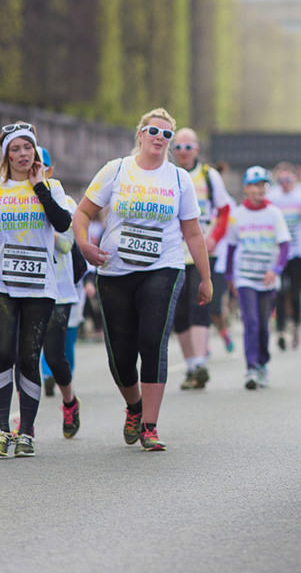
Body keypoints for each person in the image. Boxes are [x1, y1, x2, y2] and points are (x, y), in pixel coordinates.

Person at [74, 108, 211, 452]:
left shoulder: (179, 180)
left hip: (163, 268)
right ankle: (134, 406)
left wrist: (205, 278)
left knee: (153, 341)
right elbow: (83, 212)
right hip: (115, 271)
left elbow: (193, 233)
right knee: (120, 356)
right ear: (140, 134)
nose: (160, 138)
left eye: (167, 134)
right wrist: (84, 246)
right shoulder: (116, 170)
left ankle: (150, 425)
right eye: (154, 131)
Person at [0, 122, 74, 458]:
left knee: (29, 358)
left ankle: (26, 432)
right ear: (5, 154)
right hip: (3, 284)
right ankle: (2, 429)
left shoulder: (52, 187)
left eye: (26, 148)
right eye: (14, 149)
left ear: (35, 152)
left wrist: (39, 187)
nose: (21, 155)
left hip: (40, 287)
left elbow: (62, 225)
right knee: (3, 354)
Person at [169, 128, 234, 389]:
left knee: (200, 307)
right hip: (173, 252)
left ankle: (200, 363)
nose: (183, 152)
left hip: (202, 251)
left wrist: (214, 237)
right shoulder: (167, 174)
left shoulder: (209, 176)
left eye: (188, 147)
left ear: (196, 149)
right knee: (179, 313)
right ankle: (191, 365)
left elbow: (225, 209)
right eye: (179, 147)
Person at [36, 147, 87, 438]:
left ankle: (69, 401)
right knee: (20, 356)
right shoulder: (9, 197)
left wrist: (41, 234)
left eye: (40, 165)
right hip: (22, 286)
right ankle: (21, 423)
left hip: (58, 289)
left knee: (55, 357)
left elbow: (67, 244)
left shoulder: (62, 198)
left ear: (50, 171)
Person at [225, 166, 290, 390]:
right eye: (254, 185)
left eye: (263, 185)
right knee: (250, 322)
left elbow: (284, 245)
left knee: (263, 324)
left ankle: (263, 363)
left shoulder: (274, 213)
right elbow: (231, 247)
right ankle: (251, 367)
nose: (259, 189)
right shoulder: (237, 214)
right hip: (245, 278)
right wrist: (229, 276)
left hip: (267, 278)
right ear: (246, 188)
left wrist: (276, 270)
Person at [267, 161, 301, 350]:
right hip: (278, 252)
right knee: (280, 291)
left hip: (297, 250)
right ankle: (281, 329)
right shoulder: (272, 196)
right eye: (281, 179)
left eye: (288, 179)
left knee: (295, 291)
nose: (285, 183)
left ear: (294, 179)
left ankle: (296, 328)